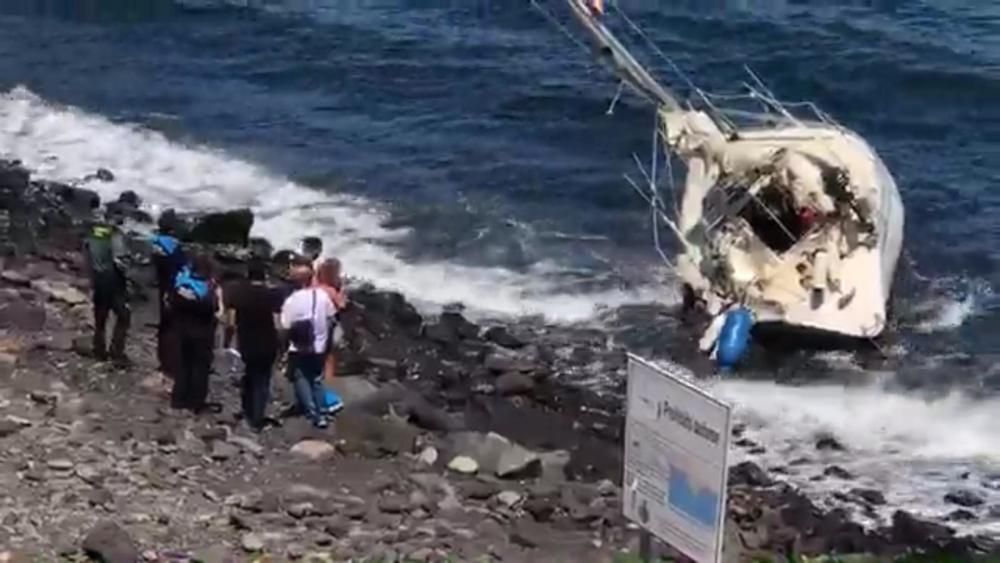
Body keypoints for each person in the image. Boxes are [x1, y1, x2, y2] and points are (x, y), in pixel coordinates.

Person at [223, 258, 283, 432]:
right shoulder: (273, 295)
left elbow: (231, 322)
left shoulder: (239, 293)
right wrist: (282, 345)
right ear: (264, 275)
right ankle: (257, 418)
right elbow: (278, 323)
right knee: (262, 380)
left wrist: (227, 342)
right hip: (268, 341)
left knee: (249, 375)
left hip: (247, 341)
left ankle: (247, 410)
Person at [280, 262, 337, 428]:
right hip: (320, 345)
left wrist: (282, 348)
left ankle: (312, 412)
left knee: (301, 377)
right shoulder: (322, 296)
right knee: (316, 378)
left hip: (299, 346)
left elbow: (285, 326)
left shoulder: (292, 300)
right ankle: (323, 412)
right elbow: (331, 318)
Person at [170, 252, 221, 413]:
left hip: (182, 331)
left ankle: (178, 399)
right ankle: (195, 402)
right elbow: (213, 309)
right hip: (202, 333)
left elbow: (172, 303)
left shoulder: (181, 283)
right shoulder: (208, 288)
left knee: (183, 365)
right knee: (200, 368)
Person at [82, 210, 131, 366]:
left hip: (98, 279)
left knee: (100, 317)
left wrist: (91, 277)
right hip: (113, 280)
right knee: (123, 316)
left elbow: (86, 256)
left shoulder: (92, 233)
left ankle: (99, 350)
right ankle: (117, 353)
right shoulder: (115, 234)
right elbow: (120, 262)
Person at [150, 209, 187, 377]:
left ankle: (162, 360)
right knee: (173, 326)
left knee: (164, 324)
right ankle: (171, 364)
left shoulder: (155, 242)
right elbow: (181, 266)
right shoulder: (173, 245)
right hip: (173, 288)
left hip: (162, 285)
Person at [314, 258, 347, 415]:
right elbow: (342, 305)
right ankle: (325, 394)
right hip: (328, 327)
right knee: (328, 360)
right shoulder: (332, 291)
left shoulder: (314, 286)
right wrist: (342, 290)